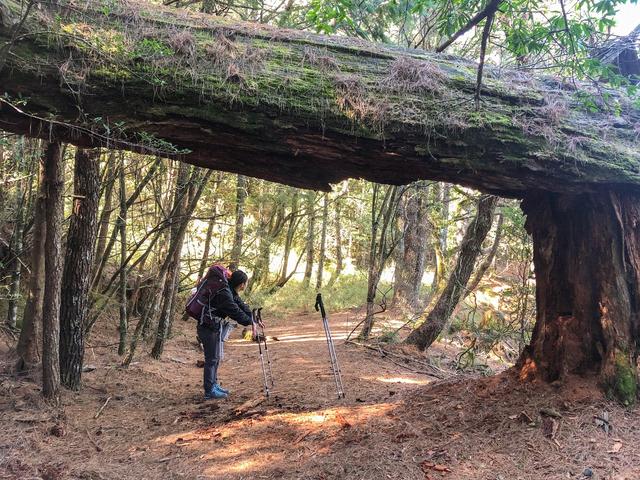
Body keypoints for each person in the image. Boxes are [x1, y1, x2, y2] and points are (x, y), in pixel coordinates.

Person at [197, 267, 254, 400]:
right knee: (211, 359)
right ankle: (209, 391)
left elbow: (240, 305)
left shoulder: (229, 290)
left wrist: (253, 319)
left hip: (213, 326)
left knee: (215, 358)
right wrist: (249, 322)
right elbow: (234, 311)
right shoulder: (224, 293)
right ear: (242, 284)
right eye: (245, 283)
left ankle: (213, 385)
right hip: (207, 326)